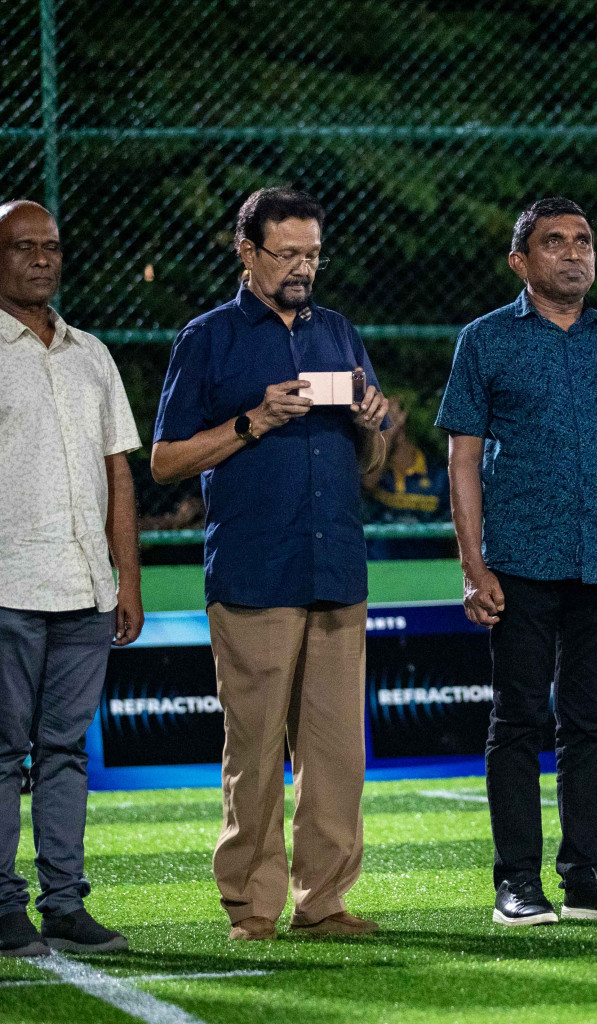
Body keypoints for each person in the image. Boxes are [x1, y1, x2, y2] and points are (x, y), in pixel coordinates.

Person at [151, 187, 388, 940]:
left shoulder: (340, 333)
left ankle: (324, 904)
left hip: (337, 571)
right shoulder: (209, 338)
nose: (302, 268)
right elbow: (163, 462)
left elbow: (374, 464)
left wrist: (375, 425)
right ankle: (252, 908)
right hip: (255, 572)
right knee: (253, 756)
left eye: (312, 254)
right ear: (245, 249)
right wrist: (254, 421)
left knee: (337, 755)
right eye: (287, 253)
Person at [437, 196, 597, 927]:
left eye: (584, 241)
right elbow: (461, 458)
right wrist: (474, 566)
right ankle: (517, 881)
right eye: (555, 242)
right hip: (520, 560)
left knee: (590, 723)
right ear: (521, 261)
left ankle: (587, 874)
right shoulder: (484, 341)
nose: (574, 253)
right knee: (518, 720)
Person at [0, 200, 141, 956]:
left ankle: (63, 903)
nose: (42, 259)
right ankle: (1, 906)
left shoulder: (92, 353)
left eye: (51, 246)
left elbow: (118, 472)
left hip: (86, 589)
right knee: (0, 754)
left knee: (63, 753)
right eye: (24, 247)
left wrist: (129, 580)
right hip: (6, 588)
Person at [363, 393, 451, 560]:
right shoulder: (378, 472)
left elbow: (454, 536)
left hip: (427, 575)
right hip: (380, 571)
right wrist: (388, 433)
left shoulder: (438, 475)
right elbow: (368, 484)